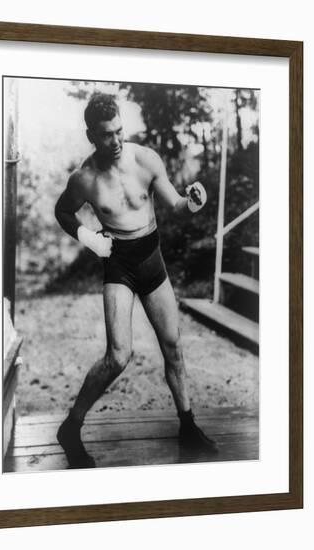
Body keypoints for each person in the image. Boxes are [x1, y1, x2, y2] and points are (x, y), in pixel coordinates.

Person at [54, 92, 218, 469]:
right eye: (105, 135)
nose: (114, 141)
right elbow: (63, 211)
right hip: (118, 264)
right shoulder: (84, 179)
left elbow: (176, 203)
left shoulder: (145, 159)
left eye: (118, 131)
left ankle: (188, 426)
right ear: (91, 135)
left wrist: (193, 199)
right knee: (118, 356)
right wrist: (89, 237)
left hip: (151, 257)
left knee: (173, 346)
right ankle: (71, 427)